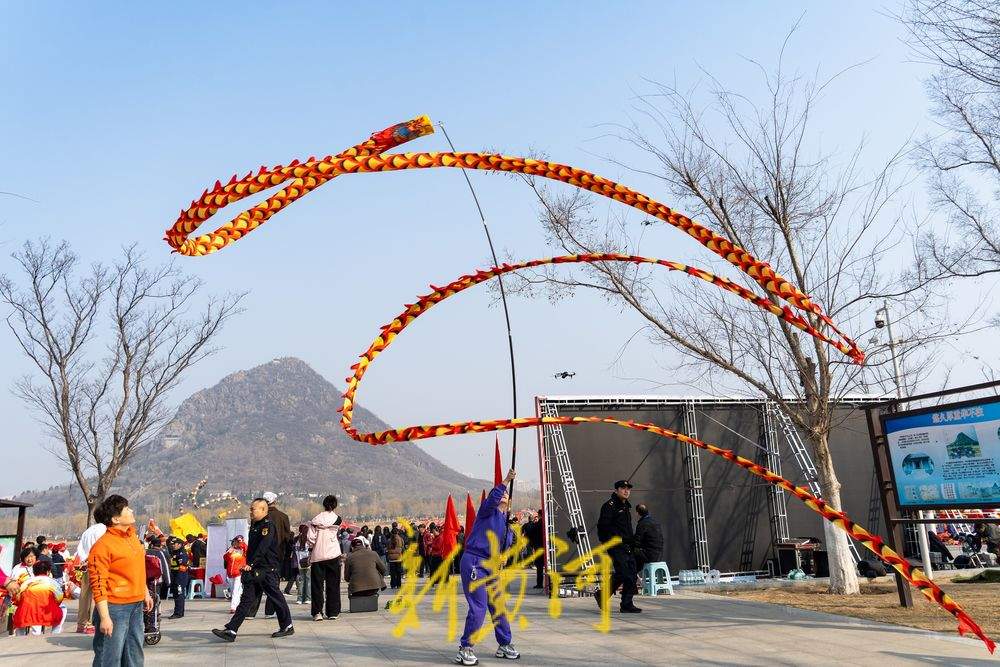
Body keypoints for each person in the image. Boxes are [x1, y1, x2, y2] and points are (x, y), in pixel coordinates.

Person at [454, 468, 520, 666]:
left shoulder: (506, 524)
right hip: (475, 562)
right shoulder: (486, 512)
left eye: (507, 495)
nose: (504, 496)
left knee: (498, 606)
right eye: (502, 494)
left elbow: (505, 547)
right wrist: (506, 480)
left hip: (492, 567)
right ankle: (465, 648)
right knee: (479, 607)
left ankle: (504, 644)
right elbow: (493, 498)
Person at [212, 498, 293, 642]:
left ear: (263, 510)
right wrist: (248, 563)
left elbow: (264, 546)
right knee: (246, 599)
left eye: (253, 509)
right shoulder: (256, 525)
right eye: (250, 509)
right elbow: (252, 549)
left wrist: (252, 563)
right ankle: (231, 630)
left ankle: (287, 625)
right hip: (255, 569)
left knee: (275, 597)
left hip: (267, 568)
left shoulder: (267, 525)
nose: (250, 511)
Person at [88, 494, 154, 666]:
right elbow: (98, 584)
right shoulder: (102, 546)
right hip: (114, 608)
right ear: (115, 519)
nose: (131, 510)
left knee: (134, 654)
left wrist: (145, 592)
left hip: (136, 604)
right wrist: (104, 617)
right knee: (110, 657)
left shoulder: (132, 537)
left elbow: (138, 568)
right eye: (126, 509)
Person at [595, 480, 641, 614]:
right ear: (616, 490)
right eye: (623, 488)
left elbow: (625, 527)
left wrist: (631, 541)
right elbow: (603, 527)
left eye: (628, 489)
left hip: (627, 545)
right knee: (624, 572)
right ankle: (603, 596)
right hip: (615, 545)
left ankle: (626, 604)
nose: (626, 491)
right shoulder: (610, 506)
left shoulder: (626, 506)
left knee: (631, 573)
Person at [306, 494, 344, 622]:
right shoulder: (338, 519)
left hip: (318, 555)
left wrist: (313, 546)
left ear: (324, 504)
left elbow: (310, 538)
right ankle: (333, 611)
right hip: (333, 553)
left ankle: (317, 612)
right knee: (333, 584)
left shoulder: (315, 520)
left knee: (317, 585)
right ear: (335, 506)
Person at [74, 508, 108, 635]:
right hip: (97, 564)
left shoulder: (88, 531)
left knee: (85, 595)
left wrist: (84, 560)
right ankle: (91, 623)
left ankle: (81, 623)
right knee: (98, 594)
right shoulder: (104, 530)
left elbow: (80, 549)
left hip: (85, 564)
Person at [13, 560, 65, 635]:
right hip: (47, 613)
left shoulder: (27, 582)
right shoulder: (52, 582)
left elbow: (18, 597)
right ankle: (55, 632)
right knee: (62, 609)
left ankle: (19, 636)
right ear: (48, 572)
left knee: (20, 614)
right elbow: (59, 598)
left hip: (26, 612)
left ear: (34, 572)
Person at [633, 503, 664, 573]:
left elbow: (636, 542)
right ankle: (634, 576)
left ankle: (631, 576)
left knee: (630, 552)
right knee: (637, 553)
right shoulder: (655, 522)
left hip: (650, 555)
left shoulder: (642, 524)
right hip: (659, 555)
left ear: (637, 513)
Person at [166, 536, 190, 619]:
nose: (173, 545)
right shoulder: (174, 553)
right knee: (176, 595)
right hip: (174, 576)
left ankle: (178, 613)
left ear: (180, 544)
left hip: (180, 578)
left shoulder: (182, 554)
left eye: (174, 544)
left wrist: (178, 580)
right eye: (172, 544)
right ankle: (178, 612)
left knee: (179, 595)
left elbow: (183, 567)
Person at [223, 536, 248, 613]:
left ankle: (233, 607)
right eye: (235, 541)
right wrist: (229, 552)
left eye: (237, 541)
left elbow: (246, 548)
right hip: (230, 573)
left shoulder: (243, 550)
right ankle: (239, 605)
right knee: (236, 590)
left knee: (235, 590)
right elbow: (225, 558)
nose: (235, 543)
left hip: (239, 573)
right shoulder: (231, 549)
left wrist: (241, 542)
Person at [523, 510, 545, 589]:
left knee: (539, 567)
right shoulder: (548, 524)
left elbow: (528, 534)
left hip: (538, 548)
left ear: (539, 515)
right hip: (548, 548)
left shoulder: (536, 525)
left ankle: (539, 584)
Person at [292, 525, 311, 605]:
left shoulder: (296, 540)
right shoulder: (308, 540)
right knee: (308, 581)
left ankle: (299, 598)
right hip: (308, 563)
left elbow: (294, 552)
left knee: (301, 581)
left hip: (299, 563)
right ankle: (307, 598)